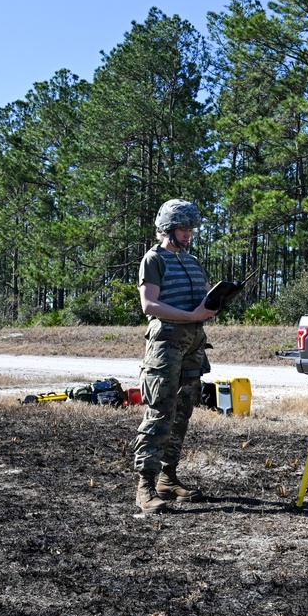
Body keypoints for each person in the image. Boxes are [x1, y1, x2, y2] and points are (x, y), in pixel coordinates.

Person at [132, 199, 219, 513]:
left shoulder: (192, 261)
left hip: (194, 345)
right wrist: (191, 314)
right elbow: (149, 306)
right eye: (183, 228)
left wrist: (214, 302)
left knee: (183, 412)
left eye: (191, 229)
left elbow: (202, 299)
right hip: (166, 344)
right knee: (160, 412)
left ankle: (168, 479)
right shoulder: (153, 259)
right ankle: (145, 488)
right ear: (168, 228)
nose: (188, 234)